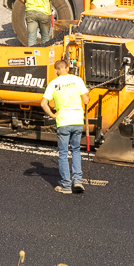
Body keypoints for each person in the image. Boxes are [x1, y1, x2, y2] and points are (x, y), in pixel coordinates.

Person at [41, 59, 90, 194]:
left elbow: (43, 104)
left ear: (56, 70)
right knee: (76, 150)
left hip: (63, 122)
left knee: (63, 154)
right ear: (67, 68)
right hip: (77, 121)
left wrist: (53, 115)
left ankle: (66, 186)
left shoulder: (53, 84)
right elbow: (86, 100)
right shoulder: (78, 80)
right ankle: (78, 181)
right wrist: (87, 94)